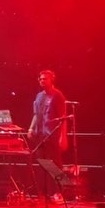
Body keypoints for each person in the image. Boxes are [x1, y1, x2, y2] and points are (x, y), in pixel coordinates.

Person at [28, 69, 68, 200]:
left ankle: (60, 192)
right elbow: (36, 114)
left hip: (52, 134)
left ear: (52, 80)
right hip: (40, 135)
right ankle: (45, 192)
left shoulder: (57, 95)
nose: (42, 81)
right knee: (42, 163)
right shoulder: (39, 96)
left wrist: (63, 137)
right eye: (40, 79)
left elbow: (63, 117)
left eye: (45, 79)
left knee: (56, 164)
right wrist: (31, 128)